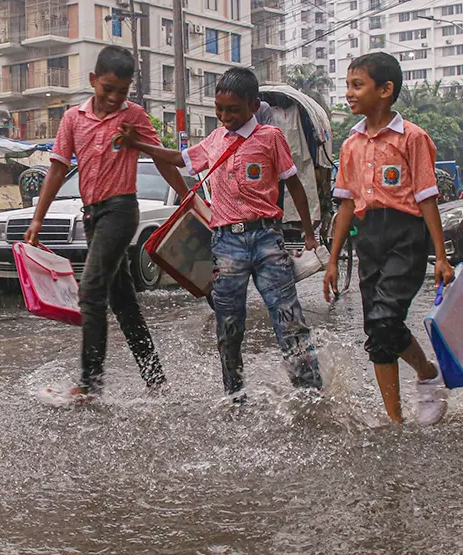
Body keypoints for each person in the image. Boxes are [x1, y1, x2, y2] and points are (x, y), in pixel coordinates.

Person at [120, 67, 323, 398]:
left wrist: (307, 230)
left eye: (234, 110)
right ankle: (234, 393)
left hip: (267, 239)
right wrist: (138, 144)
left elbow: (294, 184)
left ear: (253, 105)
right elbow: (178, 158)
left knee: (287, 318)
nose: (225, 116)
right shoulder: (215, 140)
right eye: (220, 109)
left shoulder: (271, 138)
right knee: (228, 325)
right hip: (226, 244)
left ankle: (309, 391)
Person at [24, 45, 166, 400]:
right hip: (91, 215)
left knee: (90, 291)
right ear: (93, 81)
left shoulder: (134, 117)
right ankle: (156, 380)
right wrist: (37, 218)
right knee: (123, 302)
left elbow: (162, 159)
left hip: (121, 212)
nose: (115, 98)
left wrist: (189, 199)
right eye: (108, 89)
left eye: (123, 91)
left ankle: (89, 384)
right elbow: (57, 168)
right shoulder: (73, 118)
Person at [322, 52, 455, 426]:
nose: (349, 94)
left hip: (405, 237)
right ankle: (397, 419)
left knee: (384, 320)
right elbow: (346, 206)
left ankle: (427, 377)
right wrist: (332, 260)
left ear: (385, 90)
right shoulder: (350, 145)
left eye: (357, 85)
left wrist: (441, 256)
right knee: (377, 331)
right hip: (369, 239)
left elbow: (428, 198)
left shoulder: (413, 138)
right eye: (347, 85)